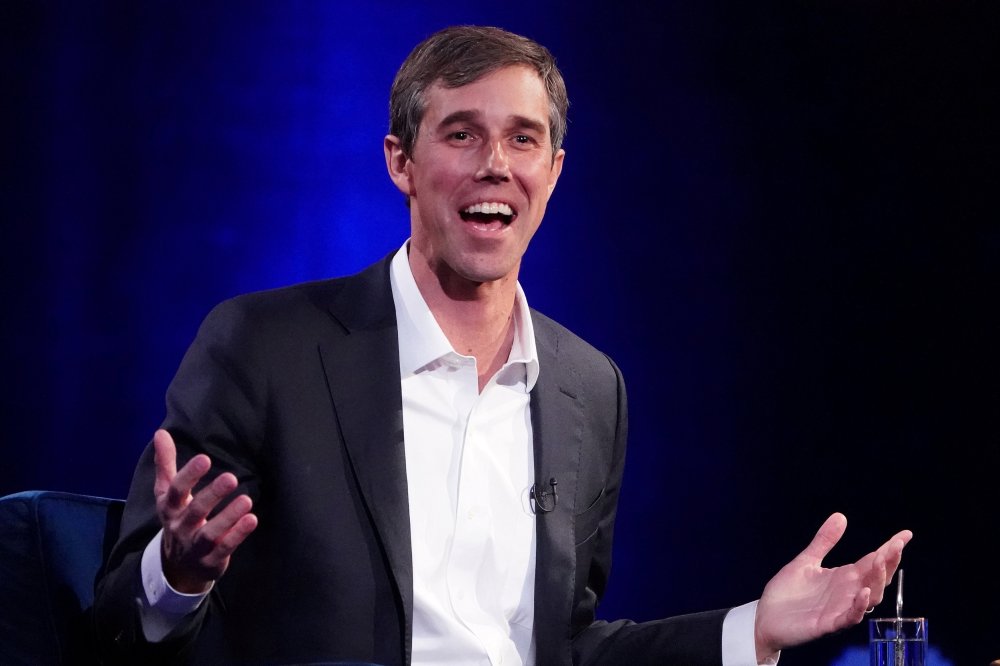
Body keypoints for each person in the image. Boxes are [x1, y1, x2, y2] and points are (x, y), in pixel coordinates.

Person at [94, 25, 912, 666]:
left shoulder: (589, 389)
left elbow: (568, 649)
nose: (495, 165)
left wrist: (753, 630)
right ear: (401, 162)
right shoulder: (266, 347)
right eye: (461, 134)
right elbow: (114, 625)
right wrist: (182, 572)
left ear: (553, 171)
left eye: (523, 140)